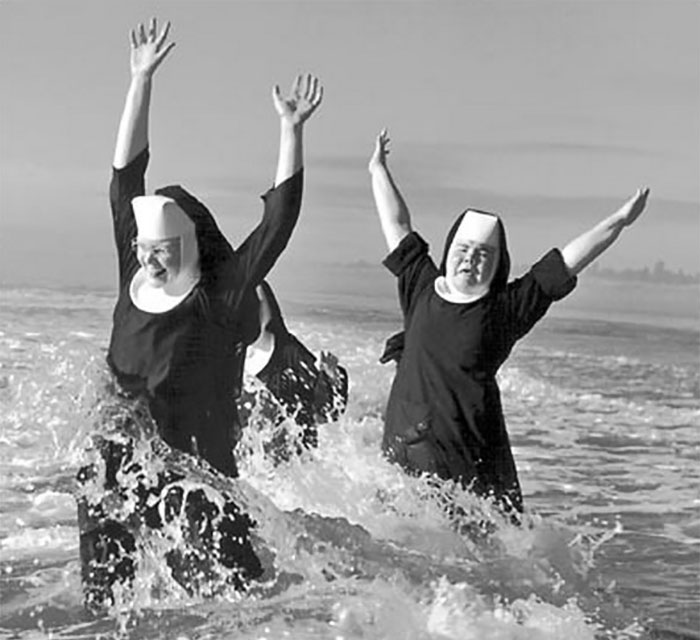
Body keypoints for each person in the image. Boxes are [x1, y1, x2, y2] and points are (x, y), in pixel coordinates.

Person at [76, 18, 323, 609]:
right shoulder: (130, 272)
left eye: (162, 251)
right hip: (118, 466)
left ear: (187, 246)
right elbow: (123, 178)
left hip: (196, 477)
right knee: (105, 608)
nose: (150, 261)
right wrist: (140, 81)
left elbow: (277, 225)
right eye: (144, 249)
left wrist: (290, 132)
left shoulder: (222, 295)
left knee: (233, 604)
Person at [368, 128, 649, 516]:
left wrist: (618, 221)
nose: (471, 260)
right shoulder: (420, 284)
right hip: (405, 447)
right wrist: (377, 170)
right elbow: (397, 224)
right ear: (450, 250)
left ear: (498, 264)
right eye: (464, 250)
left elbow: (568, 261)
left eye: (484, 254)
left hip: (470, 460)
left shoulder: (506, 308)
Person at [237, 280, 349, 464]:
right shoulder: (225, 361)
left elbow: (327, 411)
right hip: (252, 472)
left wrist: (331, 376)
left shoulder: (289, 352)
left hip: (295, 470)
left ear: (267, 307)